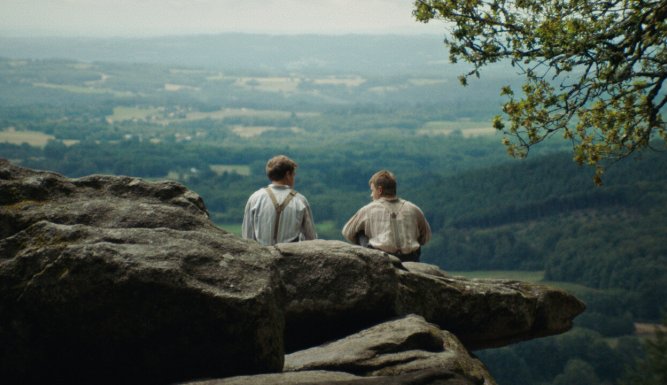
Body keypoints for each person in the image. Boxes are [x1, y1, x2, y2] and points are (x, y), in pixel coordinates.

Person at [342, 170, 431, 262]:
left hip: (381, 259)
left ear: (380, 190)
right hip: (411, 258)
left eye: (372, 190)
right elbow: (426, 237)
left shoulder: (368, 209)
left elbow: (347, 232)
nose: (371, 195)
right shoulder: (413, 208)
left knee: (360, 232)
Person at [242, 155, 317, 245]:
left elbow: (247, 236)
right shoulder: (300, 201)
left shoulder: (255, 198)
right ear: (288, 174)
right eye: (293, 174)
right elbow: (311, 239)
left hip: (261, 256)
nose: (294, 178)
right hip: (291, 257)